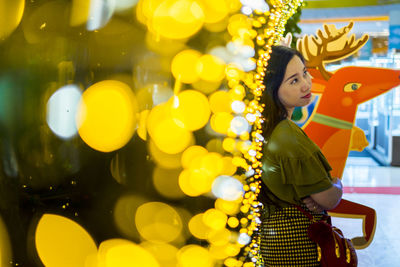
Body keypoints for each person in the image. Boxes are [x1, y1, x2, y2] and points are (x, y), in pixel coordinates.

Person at [258, 45, 343, 266]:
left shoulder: (266, 128)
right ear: (271, 88)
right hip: (298, 244)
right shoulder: (287, 137)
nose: (306, 83)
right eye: (293, 81)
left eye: (304, 72)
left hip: (273, 240)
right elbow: (328, 199)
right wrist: (337, 184)